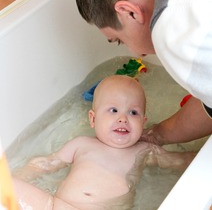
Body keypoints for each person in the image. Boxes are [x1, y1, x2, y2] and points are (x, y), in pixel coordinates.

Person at [75, 0, 212, 146]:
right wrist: (158, 134)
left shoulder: (174, 31)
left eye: (119, 40)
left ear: (130, 12)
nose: (136, 53)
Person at [13, 75, 195, 210]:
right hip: (54, 206)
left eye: (133, 113)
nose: (123, 118)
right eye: (113, 110)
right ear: (93, 119)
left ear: (143, 122)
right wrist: (23, 174)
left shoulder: (145, 150)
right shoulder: (81, 144)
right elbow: (46, 164)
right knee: (10, 185)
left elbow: (178, 161)